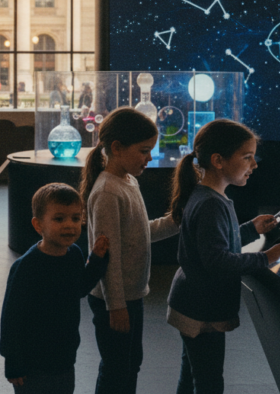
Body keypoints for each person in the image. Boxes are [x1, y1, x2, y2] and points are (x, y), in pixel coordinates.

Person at [166, 119, 280, 394]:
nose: (255, 165)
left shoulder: (208, 196)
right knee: (208, 381)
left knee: (192, 375)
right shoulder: (211, 204)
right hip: (201, 309)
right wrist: (266, 257)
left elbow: (214, 242)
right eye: (247, 157)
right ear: (218, 160)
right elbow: (217, 261)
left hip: (192, 301)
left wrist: (250, 229)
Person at [80, 107, 181, 394]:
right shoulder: (108, 192)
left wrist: (177, 220)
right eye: (144, 150)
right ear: (116, 148)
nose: (149, 157)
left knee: (129, 363)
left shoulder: (127, 181)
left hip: (130, 295)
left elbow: (139, 234)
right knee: (116, 369)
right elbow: (107, 257)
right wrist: (116, 305)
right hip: (116, 299)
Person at [0, 183, 110, 393]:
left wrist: (96, 260)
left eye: (75, 218)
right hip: (32, 364)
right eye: (59, 219)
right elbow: (11, 319)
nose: (69, 225)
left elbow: (78, 289)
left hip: (64, 359)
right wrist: (13, 362)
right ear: (38, 225)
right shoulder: (26, 267)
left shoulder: (75, 254)